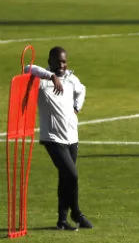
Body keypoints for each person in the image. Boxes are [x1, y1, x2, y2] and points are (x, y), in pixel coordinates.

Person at [24, 47, 92, 231]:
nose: (62, 65)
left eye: (64, 61)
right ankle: (76, 213)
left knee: (66, 178)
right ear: (50, 62)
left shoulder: (71, 79)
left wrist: (77, 107)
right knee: (72, 175)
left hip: (72, 137)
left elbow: (82, 90)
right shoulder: (41, 80)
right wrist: (51, 76)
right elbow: (27, 68)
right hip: (52, 137)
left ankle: (62, 221)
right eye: (58, 61)